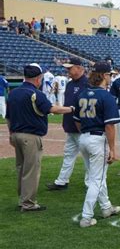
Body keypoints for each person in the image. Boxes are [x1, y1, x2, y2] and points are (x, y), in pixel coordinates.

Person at [6, 63, 74, 211]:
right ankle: (28, 203)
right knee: (31, 170)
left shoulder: (13, 92)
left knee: (21, 168)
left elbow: (8, 117)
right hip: (30, 136)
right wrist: (71, 109)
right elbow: (52, 109)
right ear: (38, 78)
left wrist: (11, 134)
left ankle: (22, 199)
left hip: (16, 134)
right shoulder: (35, 94)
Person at [73, 61, 120, 228]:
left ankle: (106, 207)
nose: (110, 78)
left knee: (96, 177)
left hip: (84, 138)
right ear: (104, 75)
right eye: (110, 75)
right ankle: (86, 217)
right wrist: (113, 148)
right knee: (97, 180)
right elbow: (109, 125)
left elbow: (77, 121)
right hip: (97, 139)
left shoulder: (82, 94)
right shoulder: (106, 96)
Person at [46, 57, 89, 191]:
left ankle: (91, 183)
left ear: (79, 68)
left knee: (88, 157)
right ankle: (62, 181)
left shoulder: (87, 84)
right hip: (70, 125)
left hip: (82, 126)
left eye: (70, 68)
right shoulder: (70, 84)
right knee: (68, 155)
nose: (67, 70)